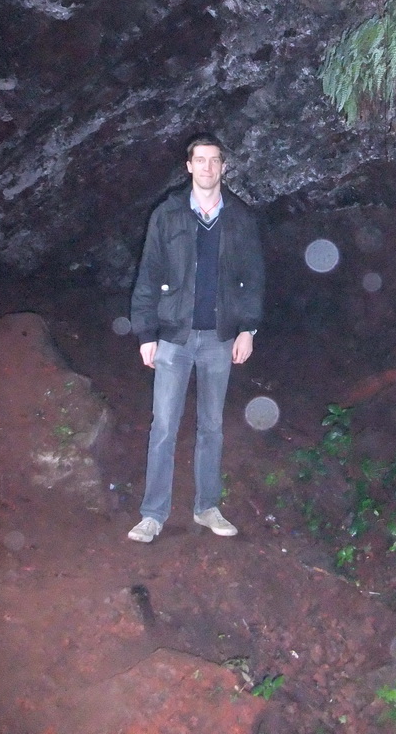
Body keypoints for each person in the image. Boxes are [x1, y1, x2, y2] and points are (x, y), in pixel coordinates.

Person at [128, 133, 265, 543]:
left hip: (219, 339)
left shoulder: (239, 218)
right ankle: (153, 514)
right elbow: (148, 273)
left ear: (224, 166)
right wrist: (145, 332)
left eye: (214, 160)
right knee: (164, 425)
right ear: (188, 166)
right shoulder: (167, 215)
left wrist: (248, 328)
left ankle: (207, 507)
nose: (207, 168)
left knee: (212, 426)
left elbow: (252, 278)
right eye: (200, 160)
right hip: (173, 336)